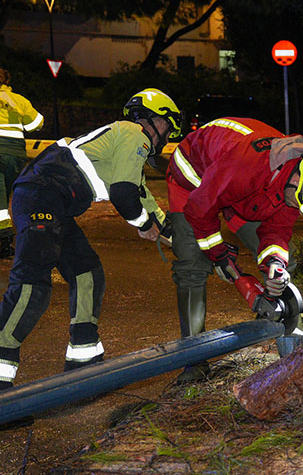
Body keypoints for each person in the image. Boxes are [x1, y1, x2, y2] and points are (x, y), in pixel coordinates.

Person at [0, 88, 181, 390]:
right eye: (168, 126)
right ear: (154, 119)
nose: (167, 134)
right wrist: (143, 224)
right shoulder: (135, 134)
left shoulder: (126, 142)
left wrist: (184, 241)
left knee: (88, 273)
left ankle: (83, 363)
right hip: (42, 197)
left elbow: (141, 197)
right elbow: (124, 196)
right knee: (31, 287)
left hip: (51, 202)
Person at [166, 117, 303, 384]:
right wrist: (218, 254)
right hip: (194, 180)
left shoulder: (295, 182)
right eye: (297, 202)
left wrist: (275, 264)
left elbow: (276, 232)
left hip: (245, 193)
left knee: (288, 258)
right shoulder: (248, 166)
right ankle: (194, 362)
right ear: (298, 177)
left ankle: (284, 335)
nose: (296, 209)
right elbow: (201, 207)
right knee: (192, 266)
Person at [0, 68, 44, 257]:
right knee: (4, 195)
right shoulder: (19, 100)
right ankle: (5, 239)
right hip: (15, 154)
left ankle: (3, 240)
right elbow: (36, 124)